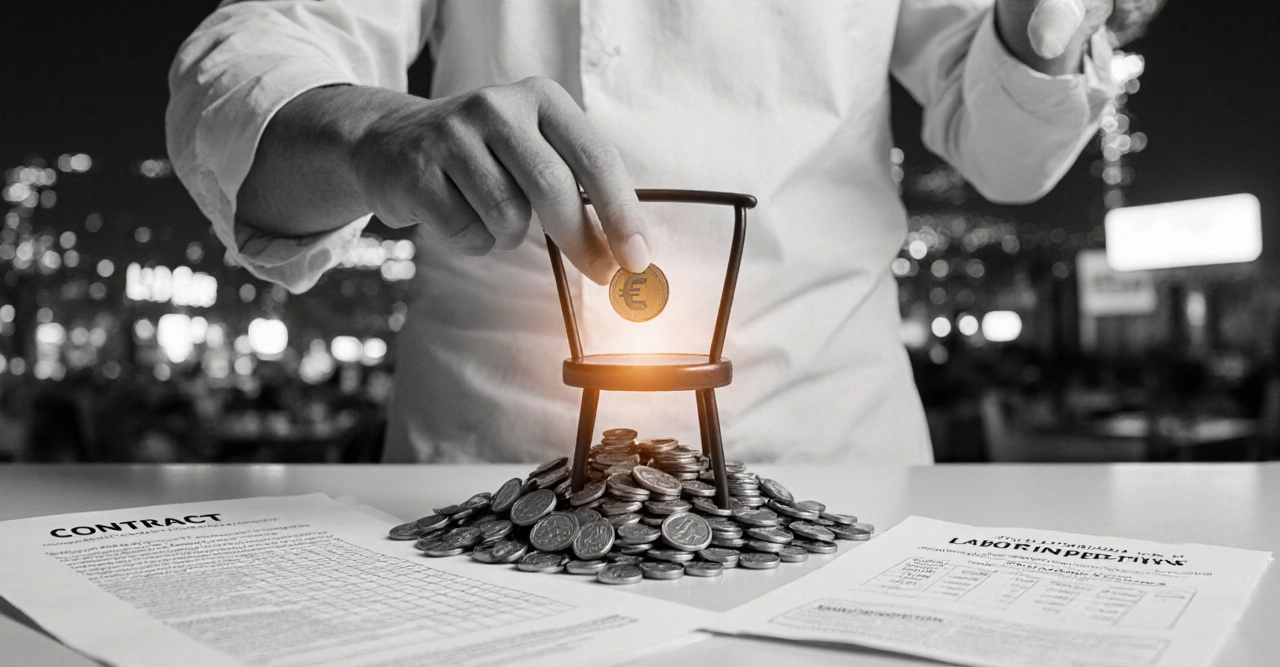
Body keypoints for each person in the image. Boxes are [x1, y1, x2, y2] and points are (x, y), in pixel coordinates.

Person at [168, 0, 1140, 464]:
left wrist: (1039, 28)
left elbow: (1006, 152)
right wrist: (377, 132)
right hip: (493, 456)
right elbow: (256, 58)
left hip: (833, 450)